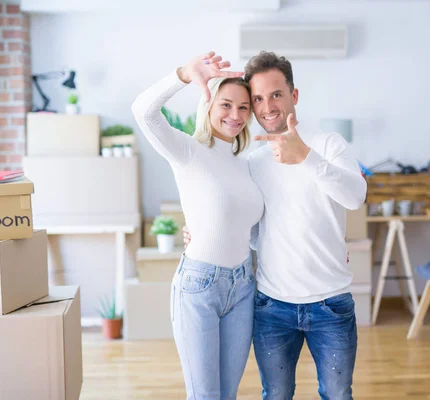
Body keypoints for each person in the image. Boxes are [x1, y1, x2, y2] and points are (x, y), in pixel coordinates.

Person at [184, 51, 367, 400]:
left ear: (293, 96)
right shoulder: (251, 161)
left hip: (331, 303)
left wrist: (307, 159)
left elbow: (355, 196)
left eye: (276, 95)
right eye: (258, 99)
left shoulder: (328, 144)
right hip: (272, 305)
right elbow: (240, 221)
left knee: (338, 395)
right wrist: (199, 231)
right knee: (276, 395)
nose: (267, 106)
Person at [131, 52, 264, 400]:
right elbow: (143, 111)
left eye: (243, 107)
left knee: (227, 395)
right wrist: (184, 75)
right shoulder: (187, 151)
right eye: (226, 105)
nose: (235, 115)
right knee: (205, 396)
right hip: (199, 286)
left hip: (243, 285)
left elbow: (249, 229)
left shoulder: (246, 163)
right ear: (208, 104)